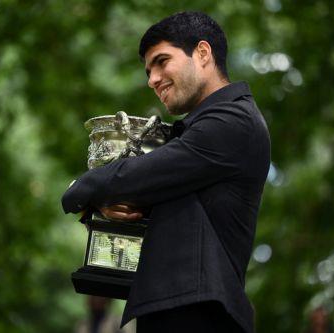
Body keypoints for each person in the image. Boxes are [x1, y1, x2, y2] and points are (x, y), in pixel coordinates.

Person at [62, 11, 270, 333]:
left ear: (202, 54)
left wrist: (82, 189)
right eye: (148, 71)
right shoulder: (202, 129)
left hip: (201, 317)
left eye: (161, 61)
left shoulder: (233, 121)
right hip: (177, 311)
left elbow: (141, 175)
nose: (152, 79)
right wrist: (110, 204)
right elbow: (149, 187)